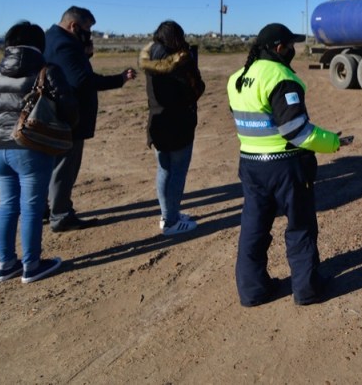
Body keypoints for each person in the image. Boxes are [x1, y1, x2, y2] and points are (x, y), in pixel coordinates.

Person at [226, 23, 351, 306]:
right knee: (300, 226)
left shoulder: (237, 78)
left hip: (251, 164)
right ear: (279, 48)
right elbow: (297, 131)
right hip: (285, 167)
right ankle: (307, 289)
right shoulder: (281, 77)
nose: (293, 50)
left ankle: (253, 291)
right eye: (291, 46)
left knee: (253, 228)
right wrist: (333, 142)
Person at [0, 21, 78, 283]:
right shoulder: (48, 71)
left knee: (7, 205)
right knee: (32, 207)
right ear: (39, 45)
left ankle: (6, 264)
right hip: (31, 149)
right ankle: (32, 265)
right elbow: (70, 110)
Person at [44, 6, 137, 232]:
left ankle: (44, 209)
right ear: (73, 26)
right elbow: (82, 81)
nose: (89, 34)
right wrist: (119, 79)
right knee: (64, 168)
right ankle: (61, 215)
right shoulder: (64, 44)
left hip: (54, 115)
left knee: (53, 167)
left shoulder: (50, 38)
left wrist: (84, 55)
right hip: (68, 118)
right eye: (87, 29)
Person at [139, 20, 206, 236]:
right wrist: (191, 65)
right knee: (177, 172)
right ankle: (171, 222)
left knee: (164, 170)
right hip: (178, 125)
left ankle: (168, 214)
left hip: (157, 123)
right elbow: (195, 90)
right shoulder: (179, 61)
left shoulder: (151, 58)